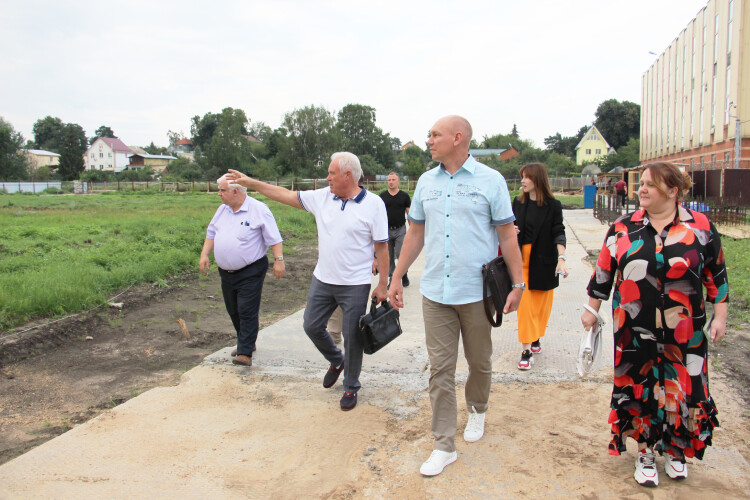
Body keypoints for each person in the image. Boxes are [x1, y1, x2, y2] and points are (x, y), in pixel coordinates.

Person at [388, 115, 524, 476]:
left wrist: (518, 284)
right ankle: (443, 444)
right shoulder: (425, 182)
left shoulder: (491, 181)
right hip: (436, 292)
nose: (429, 140)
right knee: (440, 369)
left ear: (458, 138)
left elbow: (507, 235)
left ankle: (477, 408)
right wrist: (396, 276)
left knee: (479, 361)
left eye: (435, 135)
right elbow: (415, 234)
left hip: (477, 292)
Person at [581, 162, 728, 488]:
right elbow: (603, 272)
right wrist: (591, 309)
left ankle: (676, 450)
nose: (641, 189)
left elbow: (716, 275)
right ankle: (646, 451)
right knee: (640, 385)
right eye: (642, 183)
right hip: (634, 330)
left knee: (683, 388)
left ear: (673, 191)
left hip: (685, 332)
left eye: (650, 184)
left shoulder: (701, 227)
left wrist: (720, 317)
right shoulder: (622, 227)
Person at [226, 152, 389, 411]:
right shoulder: (322, 197)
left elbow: (381, 246)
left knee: (352, 336)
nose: (327, 177)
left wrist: (382, 284)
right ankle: (337, 360)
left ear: (348, 175)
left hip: (355, 283)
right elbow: (285, 195)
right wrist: (252, 183)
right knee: (311, 325)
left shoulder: (374, 204)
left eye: (332, 173)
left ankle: (351, 386)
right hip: (323, 279)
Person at [199, 175, 286, 367]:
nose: (219, 194)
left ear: (236, 191)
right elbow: (211, 233)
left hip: (251, 269)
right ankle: (246, 341)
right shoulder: (222, 210)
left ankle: (245, 352)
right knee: (233, 309)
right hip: (226, 272)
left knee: (246, 308)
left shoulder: (258, 209)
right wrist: (205, 254)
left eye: (222, 190)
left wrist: (278, 260)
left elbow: (274, 238)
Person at [512, 163, 568, 370]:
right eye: (522, 177)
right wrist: (510, 230)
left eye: (527, 177)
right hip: (520, 263)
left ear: (538, 180)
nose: (523, 181)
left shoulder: (553, 205)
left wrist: (562, 258)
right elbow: (506, 226)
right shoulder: (518, 203)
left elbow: (558, 231)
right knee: (524, 308)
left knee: (540, 308)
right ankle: (526, 350)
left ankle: (535, 337)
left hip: (543, 263)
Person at [380, 172, 411, 287]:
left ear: (398, 181)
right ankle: (392, 278)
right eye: (389, 180)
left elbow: (409, 214)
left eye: (393, 180)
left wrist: (412, 230)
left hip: (400, 229)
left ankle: (404, 274)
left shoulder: (404, 196)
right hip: (387, 230)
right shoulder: (382, 196)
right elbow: (378, 214)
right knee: (389, 256)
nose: (391, 182)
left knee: (400, 253)